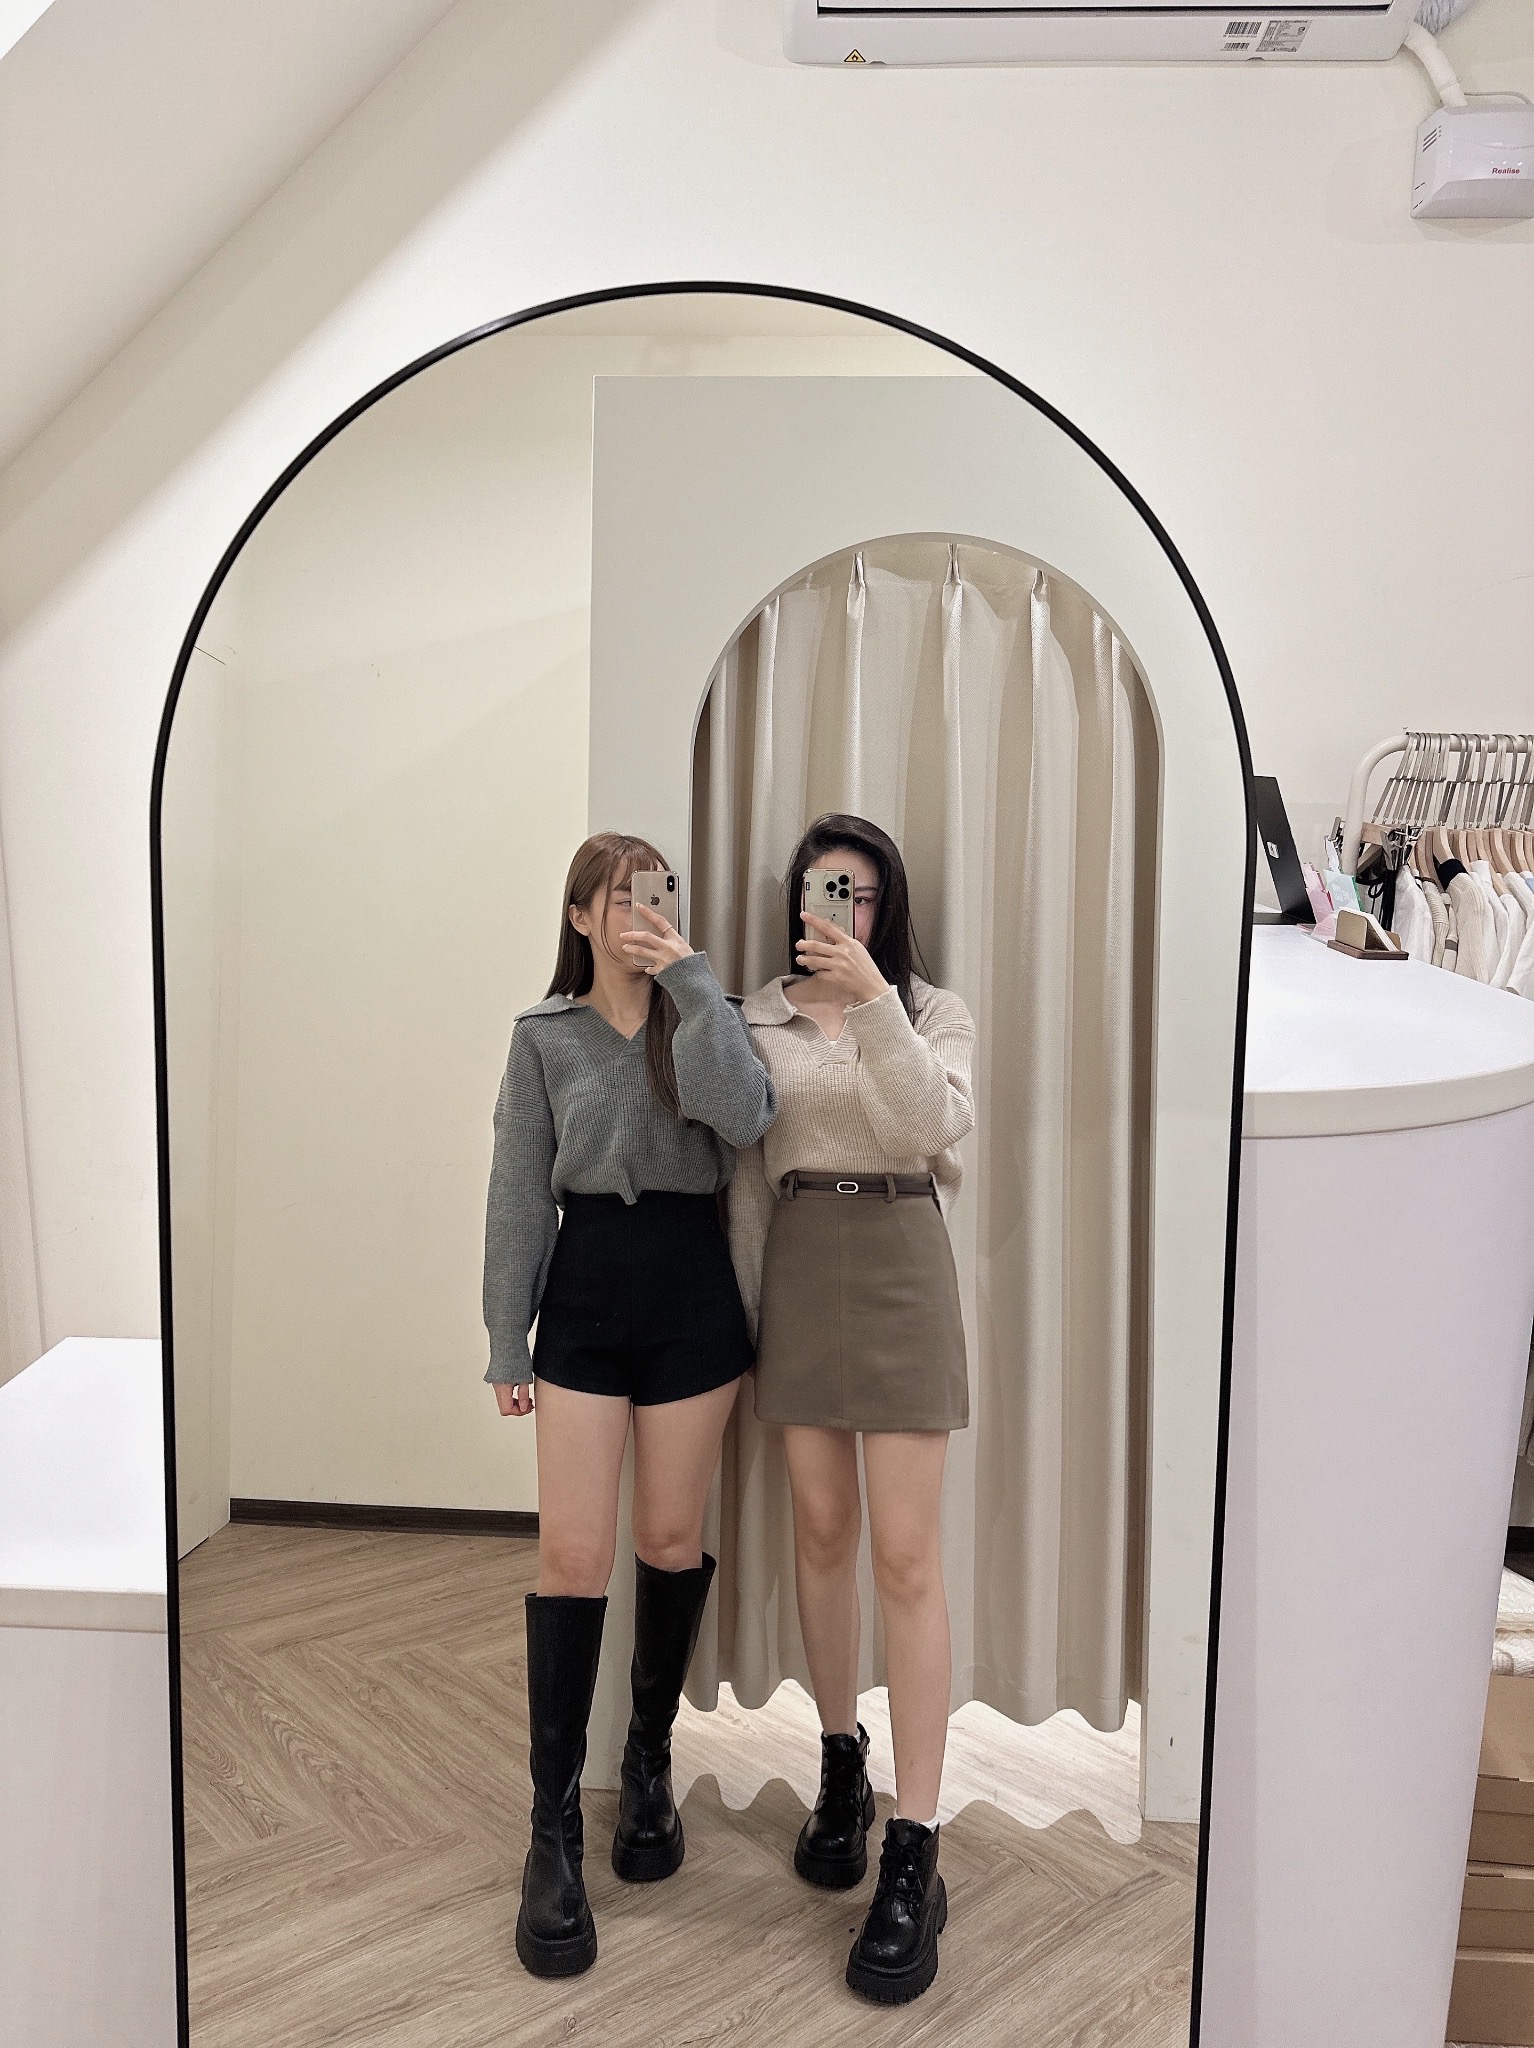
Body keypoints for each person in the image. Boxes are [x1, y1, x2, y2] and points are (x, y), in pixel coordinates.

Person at [483, 832, 776, 1979]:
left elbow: (744, 1118)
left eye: (655, 892)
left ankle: (647, 1761)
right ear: (578, 915)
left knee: (666, 1536)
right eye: (617, 895)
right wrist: (505, 1333)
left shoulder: (704, 1012)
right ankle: (552, 1823)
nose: (638, 910)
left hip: (691, 1288)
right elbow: (517, 1191)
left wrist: (691, 979)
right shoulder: (543, 1036)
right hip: (587, 1287)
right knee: (571, 1552)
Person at [731, 813, 975, 2006]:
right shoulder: (755, 1018)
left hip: (901, 1257)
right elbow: (743, 1177)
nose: (848, 909)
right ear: (797, 898)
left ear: (891, 906)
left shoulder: (931, 1010)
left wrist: (876, 999)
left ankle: (915, 1838)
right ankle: (840, 1756)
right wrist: (743, 1319)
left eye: (865, 893)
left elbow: (927, 1126)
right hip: (798, 1258)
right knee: (821, 1534)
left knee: (907, 1554)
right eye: (829, 888)